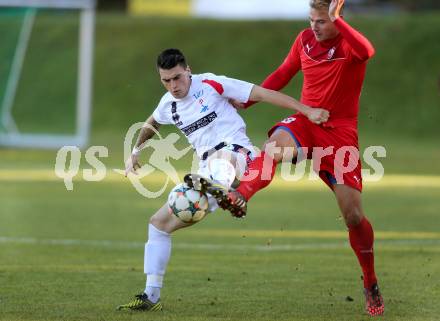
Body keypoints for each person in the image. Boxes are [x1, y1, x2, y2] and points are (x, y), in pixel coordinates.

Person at [204, 0, 385, 316]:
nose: (314, 26)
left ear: (337, 20)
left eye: (321, 21)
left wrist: (338, 22)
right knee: (274, 146)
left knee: (353, 217)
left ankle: (370, 281)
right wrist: (249, 100)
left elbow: (368, 51)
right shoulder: (304, 40)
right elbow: (285, 71)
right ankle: (239, 194)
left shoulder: (349, 43)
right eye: (311, 19)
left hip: (339, 133)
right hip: (305, 121)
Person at [117, 48, 329, 311]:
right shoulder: (168, 104)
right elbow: (151, 124)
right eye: (166, 80)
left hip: (240, 156)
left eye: (178, 78)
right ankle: (151, 295)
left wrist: (306, 110)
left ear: (188, 70)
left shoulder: (212, 84)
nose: (173, 85)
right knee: (158, 224)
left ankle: (222, 188)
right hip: (207, 171)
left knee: (222, 157)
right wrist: (135, 151)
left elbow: (264, 93)